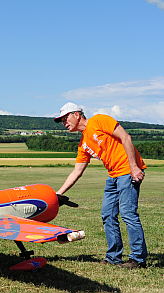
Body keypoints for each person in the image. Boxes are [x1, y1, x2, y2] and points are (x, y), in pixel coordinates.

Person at [54, 102, 148, 269]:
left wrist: (134, 167)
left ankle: (138, 259)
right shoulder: (83, 144)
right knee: (107, 214)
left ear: (76, 115)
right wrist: (58, 194)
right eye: (61, 120)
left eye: (65, 118)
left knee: (128, 214)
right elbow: (76, 172)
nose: (64, 123)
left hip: (127, 171)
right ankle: (113, 257)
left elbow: (126, 137)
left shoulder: (98, 121)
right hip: (113, 176)